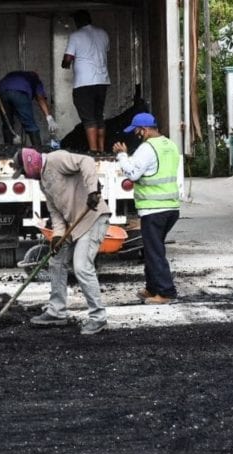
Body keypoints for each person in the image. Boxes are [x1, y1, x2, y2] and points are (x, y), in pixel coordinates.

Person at [12, 147, 111, 335]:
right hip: (73, 225)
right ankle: (57, 311)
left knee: (82, 267)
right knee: (56, 262)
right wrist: (57, 237)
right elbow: (56, 213)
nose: (25, 176)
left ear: (30, 163)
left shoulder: (56, 159)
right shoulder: (43, 183)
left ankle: (98, 318)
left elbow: (87, 161)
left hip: (93, 217)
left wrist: (92, 191)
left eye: (24, 171)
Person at [113, 112, 181, 305]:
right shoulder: (169, 145)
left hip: (154, 208)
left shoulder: (147, 148)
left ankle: (166, 293)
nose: (136, 135)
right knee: (152, 248)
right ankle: (152, 288)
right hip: (171, 208)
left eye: (136, 131)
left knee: (154, 252)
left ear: (143, 130)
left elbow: (133, 174)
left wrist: (122, 155)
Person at [61, 10, 110, 153]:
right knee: (99, 116)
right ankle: (101, 149)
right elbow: (104, 52)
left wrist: (65, 63)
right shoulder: (103, 34)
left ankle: (93, 151)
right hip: (102, 81)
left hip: (84, 83)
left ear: (77, 22)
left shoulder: (76, 36)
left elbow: (67, 59)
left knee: (88, 118)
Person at [0, 70, 57, 147]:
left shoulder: (13, 75)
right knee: (30, 124)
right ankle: (38, 149)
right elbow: (41, 99)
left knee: (7, 123)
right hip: (19, 93)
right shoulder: (35, 80)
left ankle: (8, 149)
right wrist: (49, 118)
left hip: (1, 92)